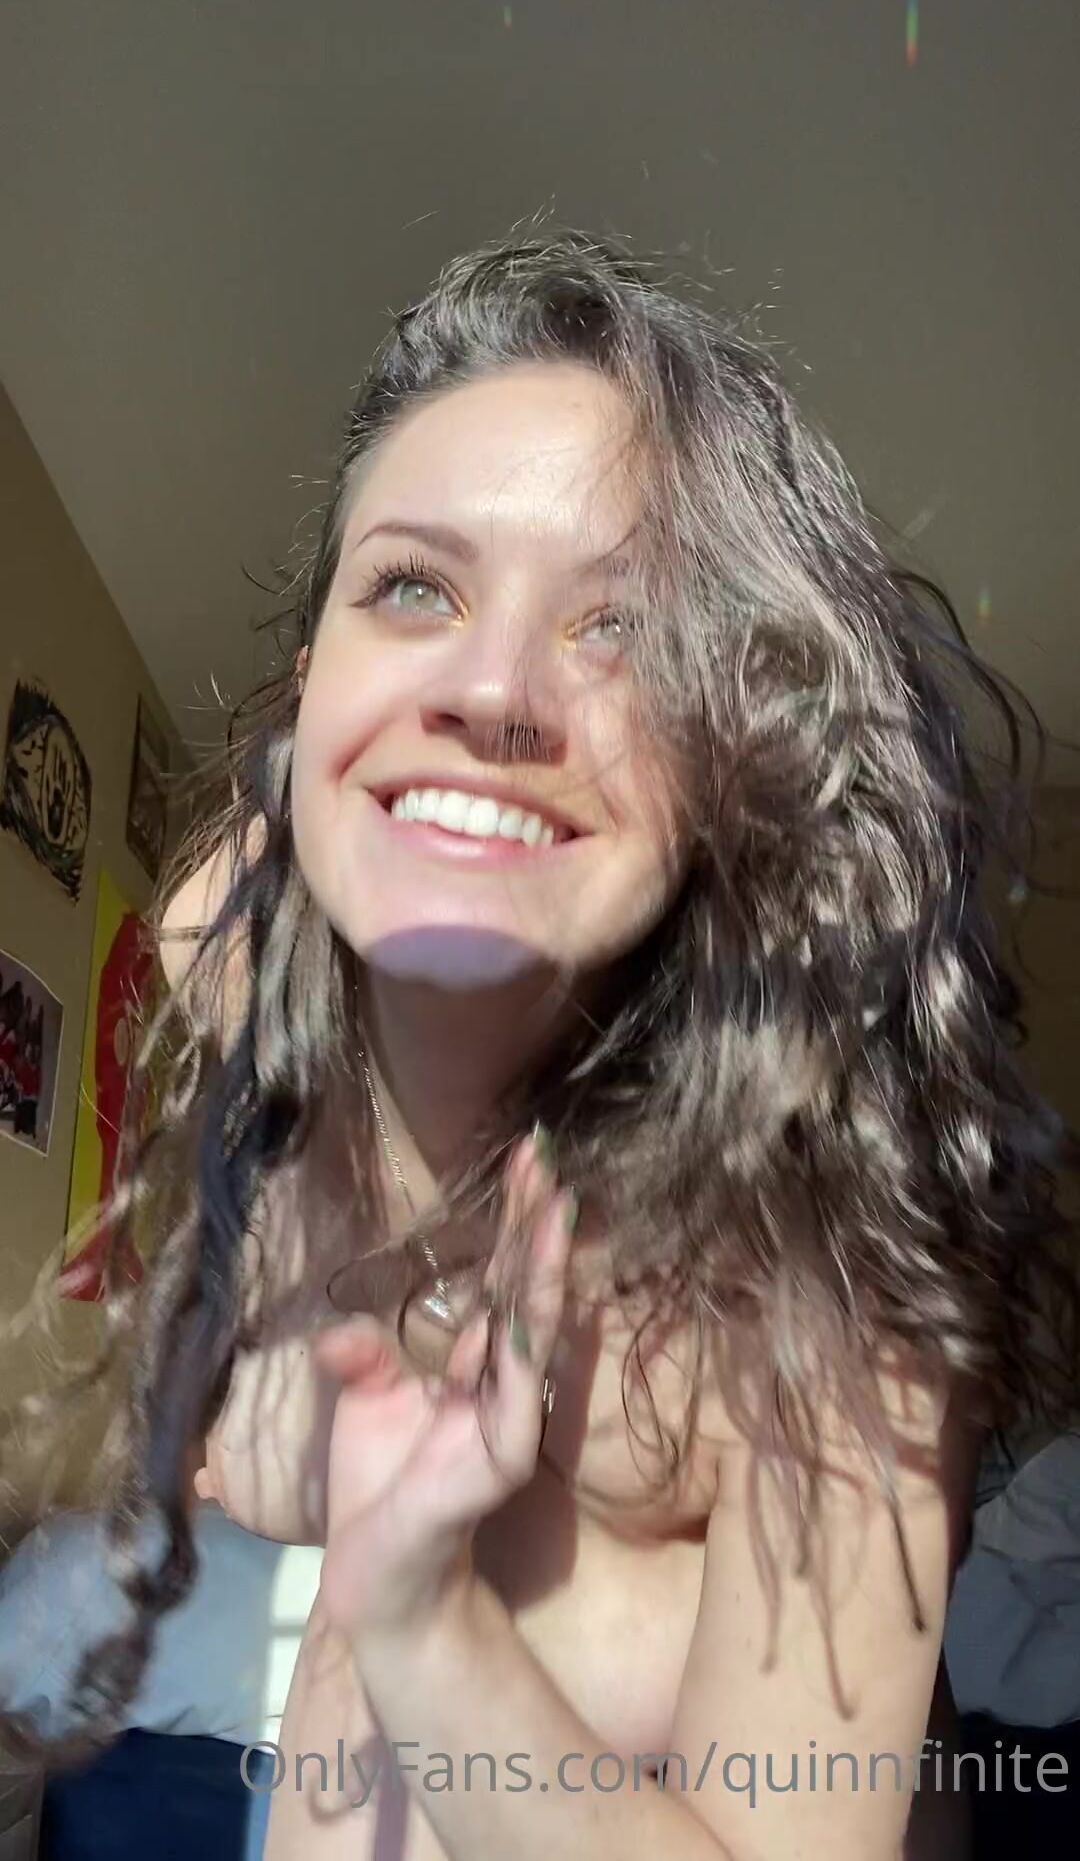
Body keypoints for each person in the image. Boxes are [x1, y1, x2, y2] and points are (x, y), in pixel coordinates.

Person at [3, 228, 1076, 1860]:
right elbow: (224, 894)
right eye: (414, 585)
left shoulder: (824, 1297)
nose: (494, 684)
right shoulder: (262, 1026)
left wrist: (425, 1619)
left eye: (621, 625)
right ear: (309, 692)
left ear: (734, 754)